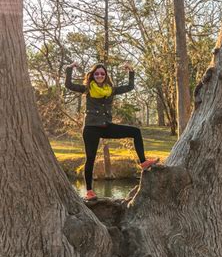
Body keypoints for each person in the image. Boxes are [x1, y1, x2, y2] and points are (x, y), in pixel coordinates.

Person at [65, 62, 158, 200]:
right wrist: (69, 69)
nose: (99, 75)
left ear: (106, 75)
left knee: (136, 132)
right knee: (90, 159)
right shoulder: (87, 89)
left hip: (106, 126)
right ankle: (89, 191)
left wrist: (131, 71)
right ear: (92, 76)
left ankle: (143, 162)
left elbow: (130, 87)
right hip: (91, 128)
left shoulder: (111, 90)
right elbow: (69, 85)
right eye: (97, 73)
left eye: (102, 73)